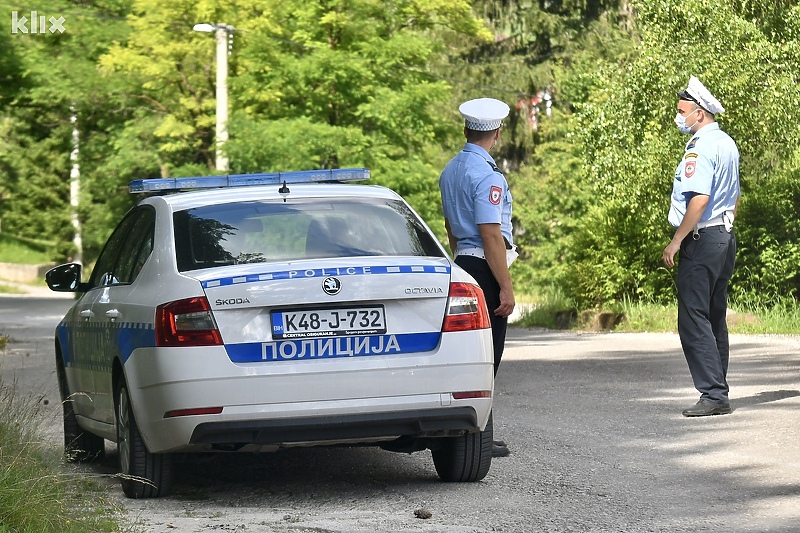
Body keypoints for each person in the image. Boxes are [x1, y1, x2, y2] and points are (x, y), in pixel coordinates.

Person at [439, 97, 516, 456]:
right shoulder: (487, 176)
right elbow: (490, 235)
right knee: (489, 354)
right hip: (485, 267)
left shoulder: (451, 170)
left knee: (474, 352)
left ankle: (482, 434)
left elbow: (451, 229)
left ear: (467, 129)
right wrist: (506, 287)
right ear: (496, 133)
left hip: (462, 262)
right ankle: (478, 437)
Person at [662, 76, 740, 417]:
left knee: (693, 317)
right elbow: (734, 195)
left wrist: (677, 239)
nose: (679, 117)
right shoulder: (727, 143)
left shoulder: (700, 147)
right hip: (724, 236)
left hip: (702, 237)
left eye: (682, 111)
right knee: (713, 315)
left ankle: (712, 393)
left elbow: (700, 198)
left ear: (699, 113)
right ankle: (718, 388)